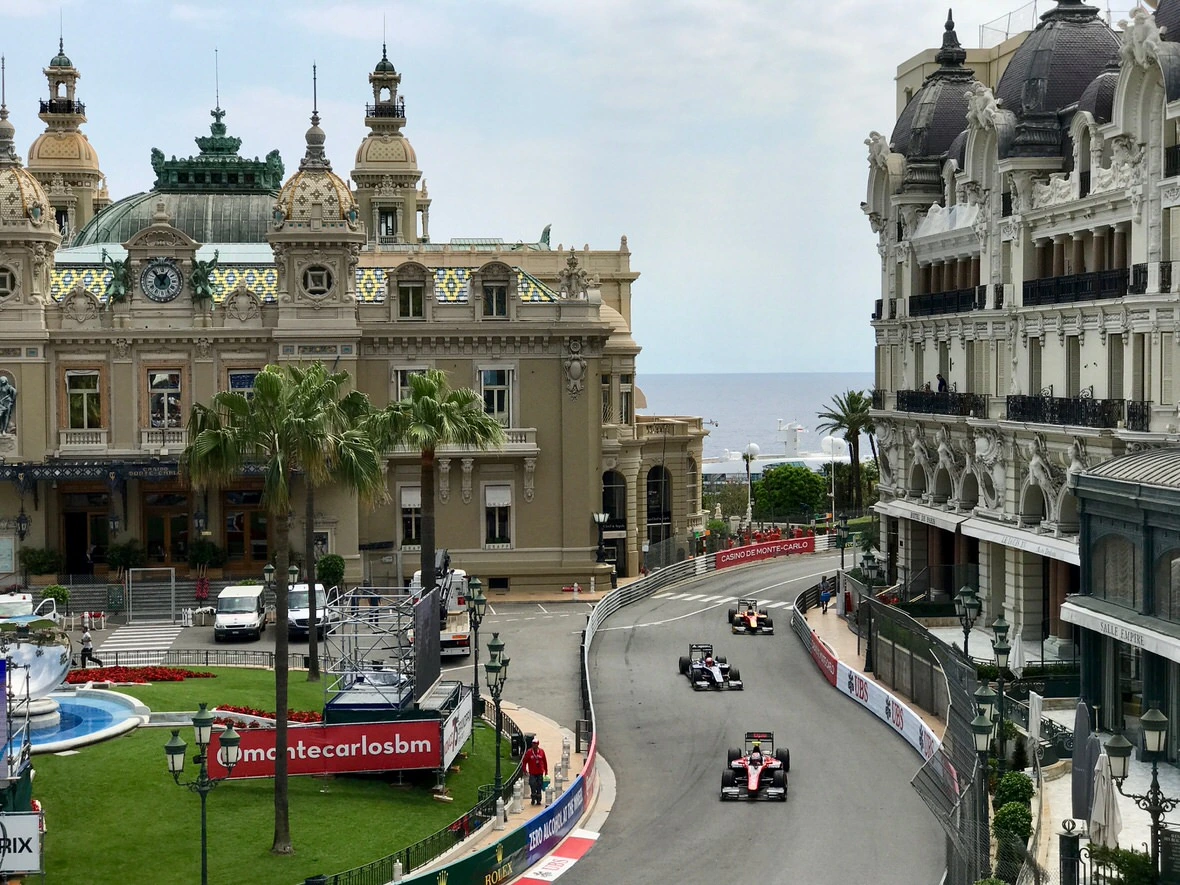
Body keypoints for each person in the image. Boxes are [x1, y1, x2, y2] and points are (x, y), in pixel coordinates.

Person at [523, 737, 549, 806]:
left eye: (536, 744)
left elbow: (545, 762)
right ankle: (533, 798)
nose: (534, 745)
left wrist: (546, 771)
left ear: (538, 744)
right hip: (532, 773)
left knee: (539, 786)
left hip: (540, 772)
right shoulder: (529, 752)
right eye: (533, 744)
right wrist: (524, 770)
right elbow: (524, 761)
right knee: (532, 785)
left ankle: (538, 800)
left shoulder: (541, 752)